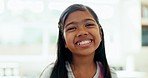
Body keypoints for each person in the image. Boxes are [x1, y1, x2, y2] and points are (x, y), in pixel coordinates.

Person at [40, 4, 118, 78]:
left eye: (89, 25)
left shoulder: (110, 74)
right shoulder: (51, 73)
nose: (82, 32)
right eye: (72, 28)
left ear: (100, 34)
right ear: (64, 41)